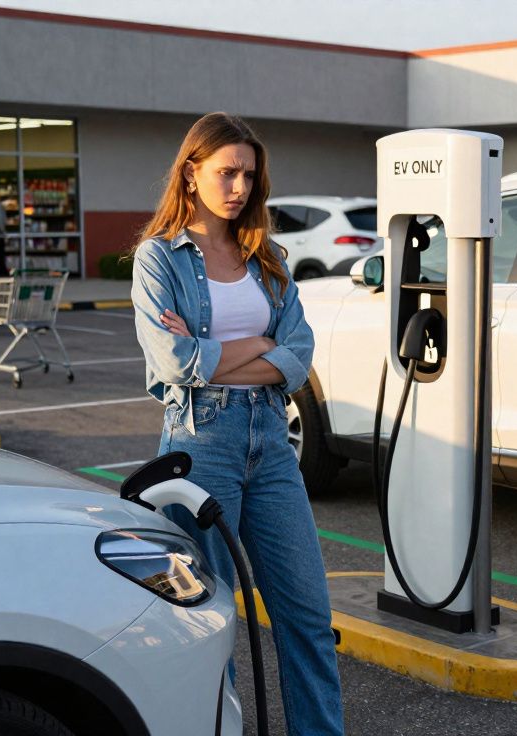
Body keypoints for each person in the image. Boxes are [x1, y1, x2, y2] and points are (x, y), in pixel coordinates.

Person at [129, 112, 344, 735]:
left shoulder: (268, 256)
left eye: (249, 174)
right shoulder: (159, 258)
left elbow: (298, 357)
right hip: (201, 448)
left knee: (307, 616)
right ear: (190, 173)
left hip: (272, 444)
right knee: (209, 623)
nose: (239, 187)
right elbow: (173, 361)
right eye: (226, 172)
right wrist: (260, 344)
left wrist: (221, 351)